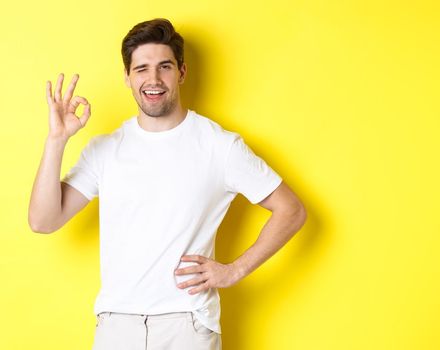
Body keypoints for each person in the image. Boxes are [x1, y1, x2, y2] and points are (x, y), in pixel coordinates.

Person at [27, 18, 307, 350]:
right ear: (128, 78)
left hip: (187, 324)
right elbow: (43, 221)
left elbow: (291, 210)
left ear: (182, 72)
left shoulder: (219, 146)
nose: (153, 79)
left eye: (165, 66)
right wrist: (57, 140)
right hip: (117, 324)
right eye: (141, 69)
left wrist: (235, 270)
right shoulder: (104, 150)